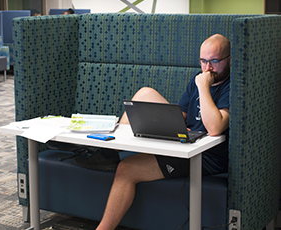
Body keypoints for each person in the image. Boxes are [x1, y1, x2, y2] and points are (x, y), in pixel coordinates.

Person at [95, 34, 231, 230]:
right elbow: (182, 114)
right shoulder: (196, 80)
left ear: (228, 59)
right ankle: (109, 151)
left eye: (214, 61)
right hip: (187, 141)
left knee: (126, 169)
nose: (208, 68)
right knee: (145, 93)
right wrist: (163, 125)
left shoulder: (229, 85)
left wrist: (203, 87)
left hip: (205, 155)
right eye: (203, 61)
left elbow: (215, 128)